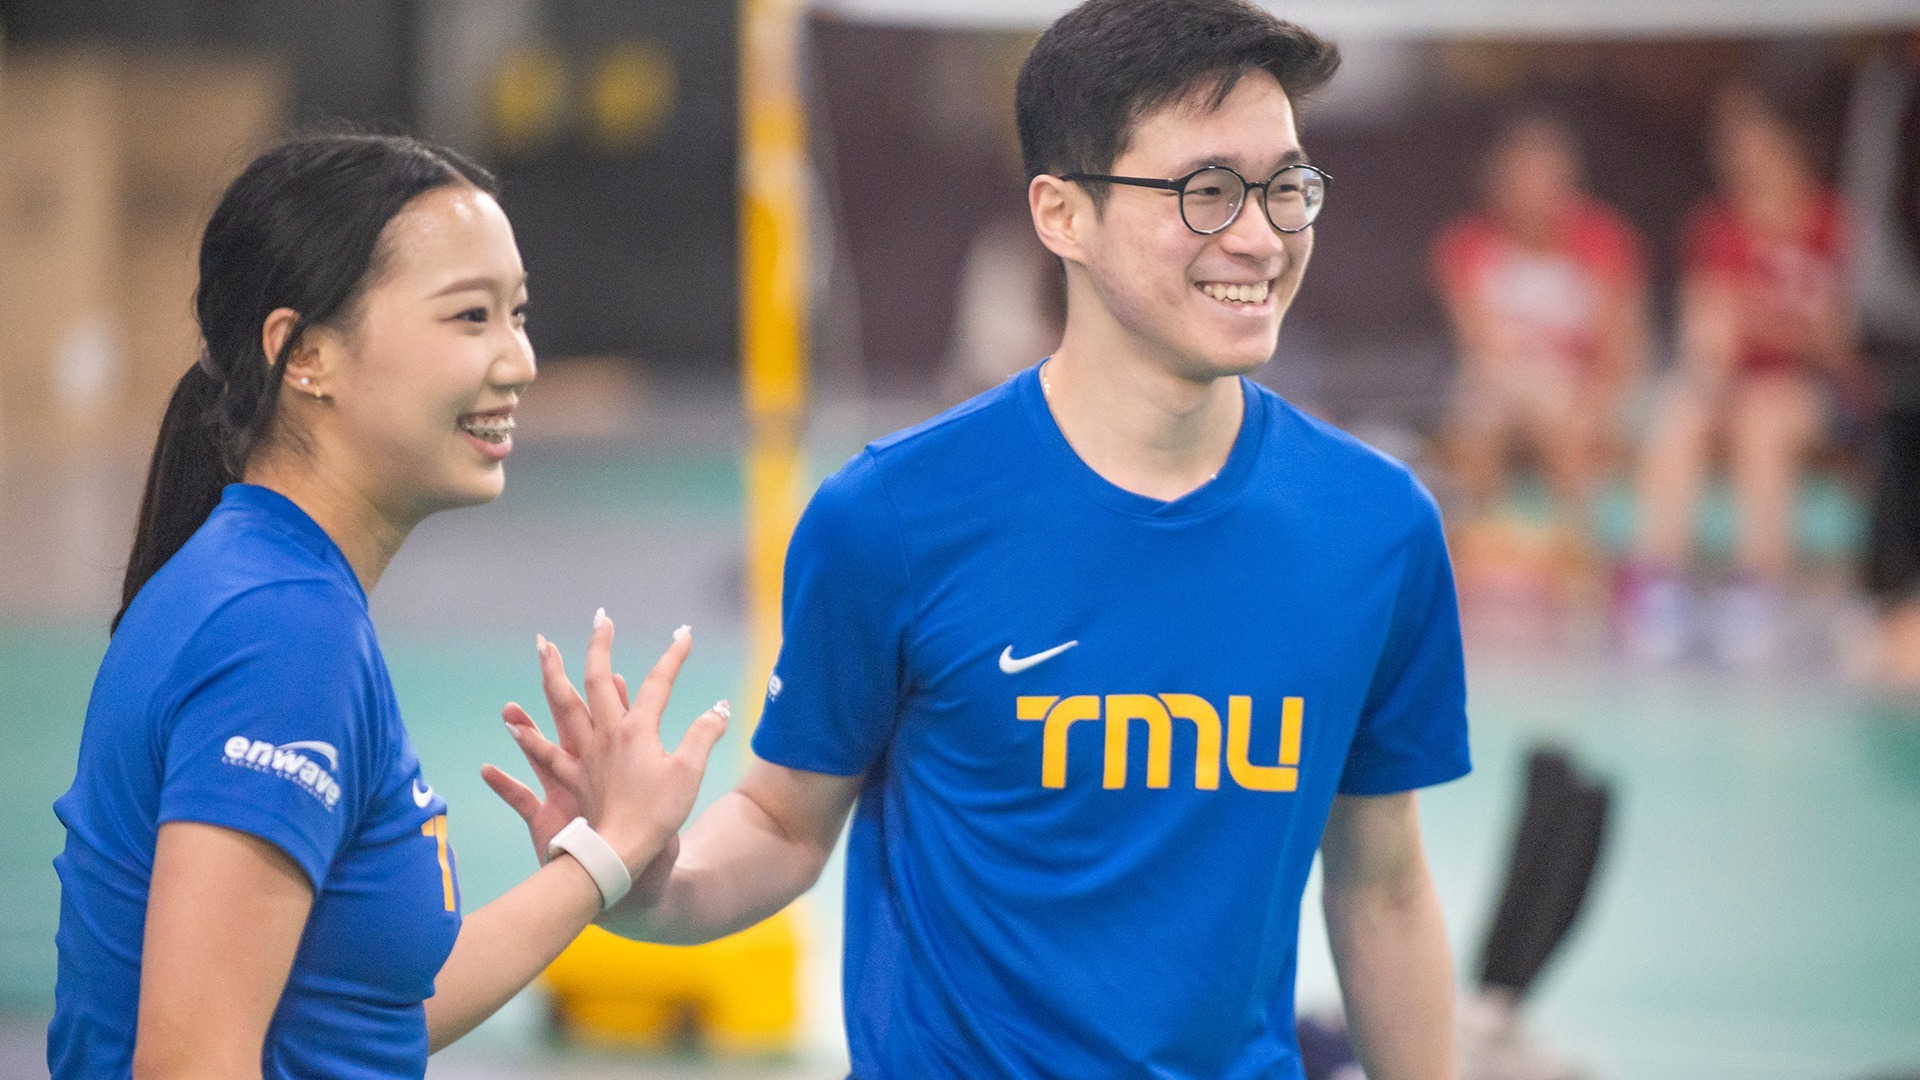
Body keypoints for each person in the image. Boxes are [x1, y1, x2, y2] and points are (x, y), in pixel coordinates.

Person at [503, 2, 1472, 1076]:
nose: (1260, 234)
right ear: (1063, 214)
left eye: (1287, 187)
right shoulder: (893, 520)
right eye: (1205, 192)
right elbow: (782, 825)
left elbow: (1382, 882)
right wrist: (642, 882)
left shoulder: (1376, 529)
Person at [47, 132, 728, 1079]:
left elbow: (360, 1008)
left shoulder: (275, 592)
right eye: (470, 318)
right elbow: (192, 1061)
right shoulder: (282, 634)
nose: (521, 360)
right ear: (307, 355)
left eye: (518, 314)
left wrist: (603, 855)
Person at [1619, 83, 1859, 668]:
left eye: (1746, 135)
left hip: (1820, 393)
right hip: (1740, 384)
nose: (1734, 151)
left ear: (1785, 140)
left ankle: (1758, 593)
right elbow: (1709, 333)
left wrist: (1765, 326)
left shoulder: (1835, 222)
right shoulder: (1718, 227)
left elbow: (1841, 339)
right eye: (1727, 140)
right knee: (1680, 407)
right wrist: (1715, 373)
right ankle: (1660, 588)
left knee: (1766, 415)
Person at [1433, 113, 1650, 536]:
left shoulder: (1605, 239)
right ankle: (1478, 550)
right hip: (1504, 389)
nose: (1533, 196)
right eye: (1520, 181)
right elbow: (1483, 347)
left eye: (1546, 182)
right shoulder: (1467, 246)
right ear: (1498, 186)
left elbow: (1624, 350)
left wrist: (1594, 406)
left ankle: (1579, 549)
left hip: (1588, 392)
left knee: (1557, 411)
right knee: (1482, 416)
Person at [1843, 33, 1920, 688]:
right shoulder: (1887, 87)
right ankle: (1892, 611)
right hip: (1901, 318)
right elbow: (1874, 203)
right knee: (1900, 448)